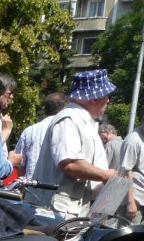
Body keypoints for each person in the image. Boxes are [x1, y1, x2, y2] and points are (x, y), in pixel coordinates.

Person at [27, 69, 118, 218]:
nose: (108, 100)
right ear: (94, 98)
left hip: (70, 209)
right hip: (55, 213)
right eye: (107, 95)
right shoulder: (69, 119)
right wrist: (106, 175)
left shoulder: (84, 122)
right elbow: (70, 163)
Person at [13, 92, 67, 181]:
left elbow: (19, 163)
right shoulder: (66, 129)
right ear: (64, 109)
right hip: (56, 185)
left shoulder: (29, 131)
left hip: (31, 185)